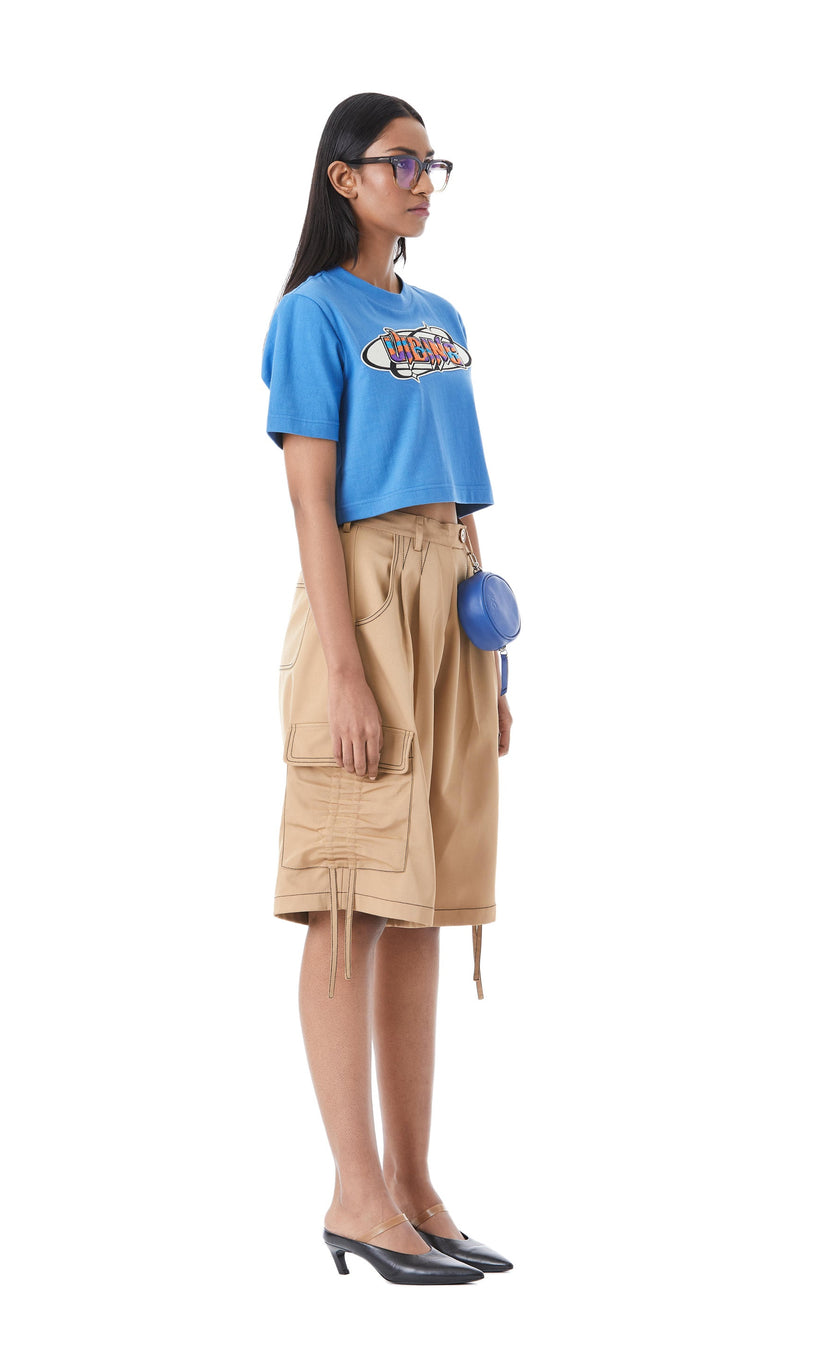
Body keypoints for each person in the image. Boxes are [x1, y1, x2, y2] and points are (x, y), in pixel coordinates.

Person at [262, 92, 514, 1285]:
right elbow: (312, 502)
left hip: (450, 600)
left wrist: (491, 664)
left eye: (430, 164)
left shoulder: (442, 316)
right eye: (399, 163)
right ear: (343, 179)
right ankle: (354, 1196)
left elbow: (461, 496)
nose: (421, 182)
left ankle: (415, 1188)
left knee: (423, 905)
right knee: (350, 900)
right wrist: (346, 674)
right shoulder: (312, 313)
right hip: (364, 600)